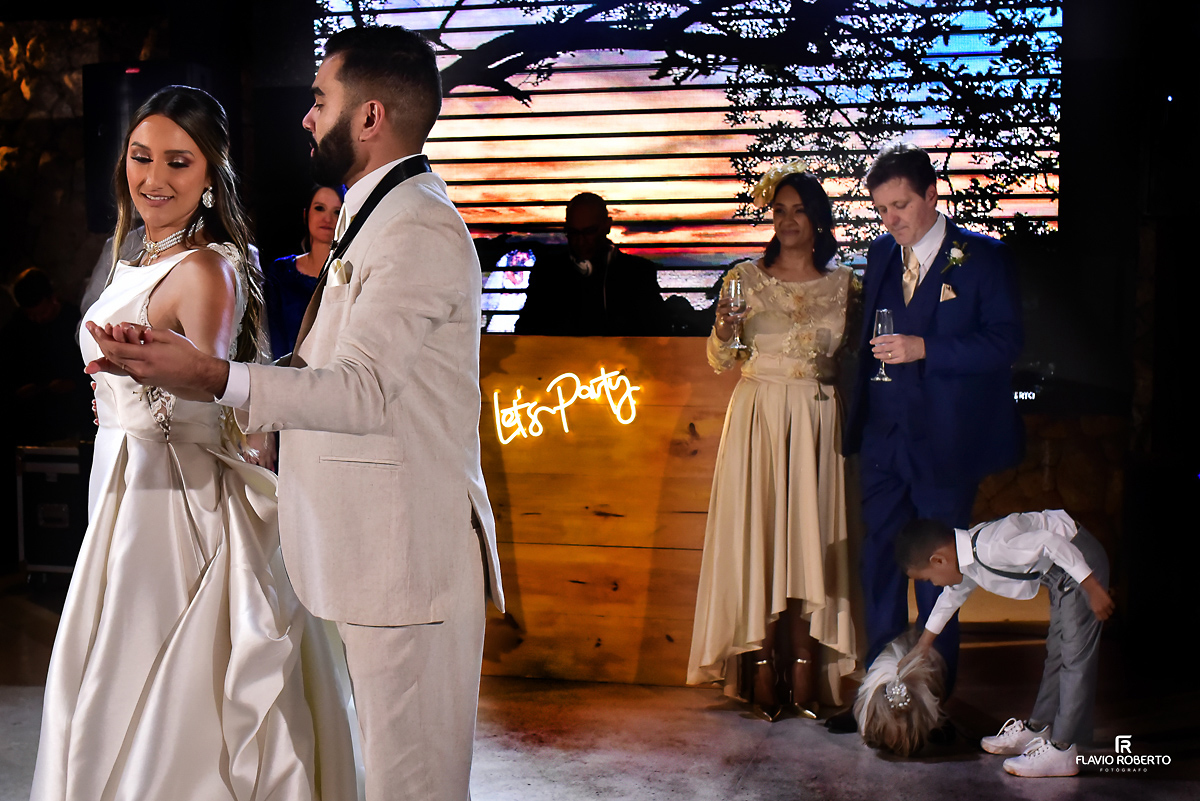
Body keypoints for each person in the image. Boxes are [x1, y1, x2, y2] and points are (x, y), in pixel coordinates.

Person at [83, 26, 505, 801]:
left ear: (369, 117)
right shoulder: (375, 212)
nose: (307, 118)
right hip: (371, 549)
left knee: (412, 786)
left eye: (321, 100)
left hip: (406, 558)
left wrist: (214, 376)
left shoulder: (415, 226)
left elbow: (361, 388)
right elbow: (327, 368)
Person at [31, 86, 357, 800]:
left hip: (175, 500)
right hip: (122, 478)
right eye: (141, 158)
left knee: (170, 674)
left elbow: (209, 370)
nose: (154, 179)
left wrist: (144, 376)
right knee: (111, 661)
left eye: (179, 163)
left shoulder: (206, 267)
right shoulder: (131, 254)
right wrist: (115, 395)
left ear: (211, 175)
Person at [834, 143, 1023, 731]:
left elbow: (1005, 344)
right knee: (880, 567)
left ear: (931, 195)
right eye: (882, 208)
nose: (891, 219)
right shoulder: (881, 254)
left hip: (946, 444)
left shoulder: (981, 259)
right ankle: (878, 703)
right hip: (885, 441)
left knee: (942, 572)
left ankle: (931, 708)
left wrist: (925, 349)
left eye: (900, 205)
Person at [687, 161, 857, 720]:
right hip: (759, 416)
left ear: (818, 218)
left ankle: (807, 663)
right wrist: (725, 332)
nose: (786, 221)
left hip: (816, 421)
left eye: (798, 211)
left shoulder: (845, 284)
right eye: (779, 211)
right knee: (759, 536)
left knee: (811, 537)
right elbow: (721, 360)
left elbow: (856, 360)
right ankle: (760, 665)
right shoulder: (744, 277)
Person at [897, 510, 1113, 777]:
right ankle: (1039, 728)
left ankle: (1063, 749)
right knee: (1056, 653)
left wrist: (1091, 587)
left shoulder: (990, 547)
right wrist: (923, 645)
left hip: (1079, 563)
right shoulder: (967, 554)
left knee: (1074, 656)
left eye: (929, 578)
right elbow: (952, 594)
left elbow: (1053, 542)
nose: (934, 583)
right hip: (1060, 574)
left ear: (938, 559)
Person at [514, 192, 667, 335]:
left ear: (607, 226)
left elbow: (655, 331)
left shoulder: (637, 273)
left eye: (589, 232)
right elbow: (526, 330)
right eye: (573, 232)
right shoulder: (548, 272)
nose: (581, 241)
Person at [3, 268, 91, 444]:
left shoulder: (74, 320)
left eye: (42, 313)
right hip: (32, 417)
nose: (37, 319)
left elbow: (89, 369)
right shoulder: (17, 327)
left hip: (73, 412)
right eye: (31, 315)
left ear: (52, 299)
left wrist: (72, 383)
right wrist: (19, 390)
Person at [265, 185, 344, 359]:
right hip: (286, 374)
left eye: (337, 211)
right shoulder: (281, 271)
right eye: (319, 208)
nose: (327, 218)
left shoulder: (350, 272)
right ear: (306, 214)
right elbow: (272, 333)